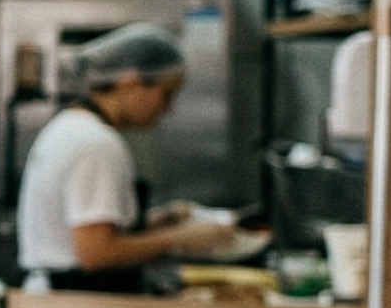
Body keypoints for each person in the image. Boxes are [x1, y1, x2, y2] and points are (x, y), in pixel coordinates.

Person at [15, 22, 236, 293]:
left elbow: (83, 224)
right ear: (130, 82)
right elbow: (95, 253)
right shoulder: (96, 143)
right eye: (166, 95)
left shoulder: (70, 126)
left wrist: (159, 219)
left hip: (60, 295)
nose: (167, 109)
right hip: (78, 301)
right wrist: (181, 237)